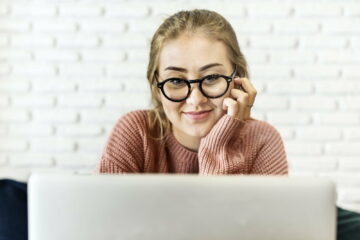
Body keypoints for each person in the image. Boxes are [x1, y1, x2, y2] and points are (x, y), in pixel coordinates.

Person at [97, 9, 288, 175]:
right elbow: (103, 215)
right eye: (176, 81)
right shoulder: (136, 132)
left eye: (212, 78)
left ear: (238, 81)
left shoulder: (262, 140)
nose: (196, 99)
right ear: (157, 88)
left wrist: (219, 145)